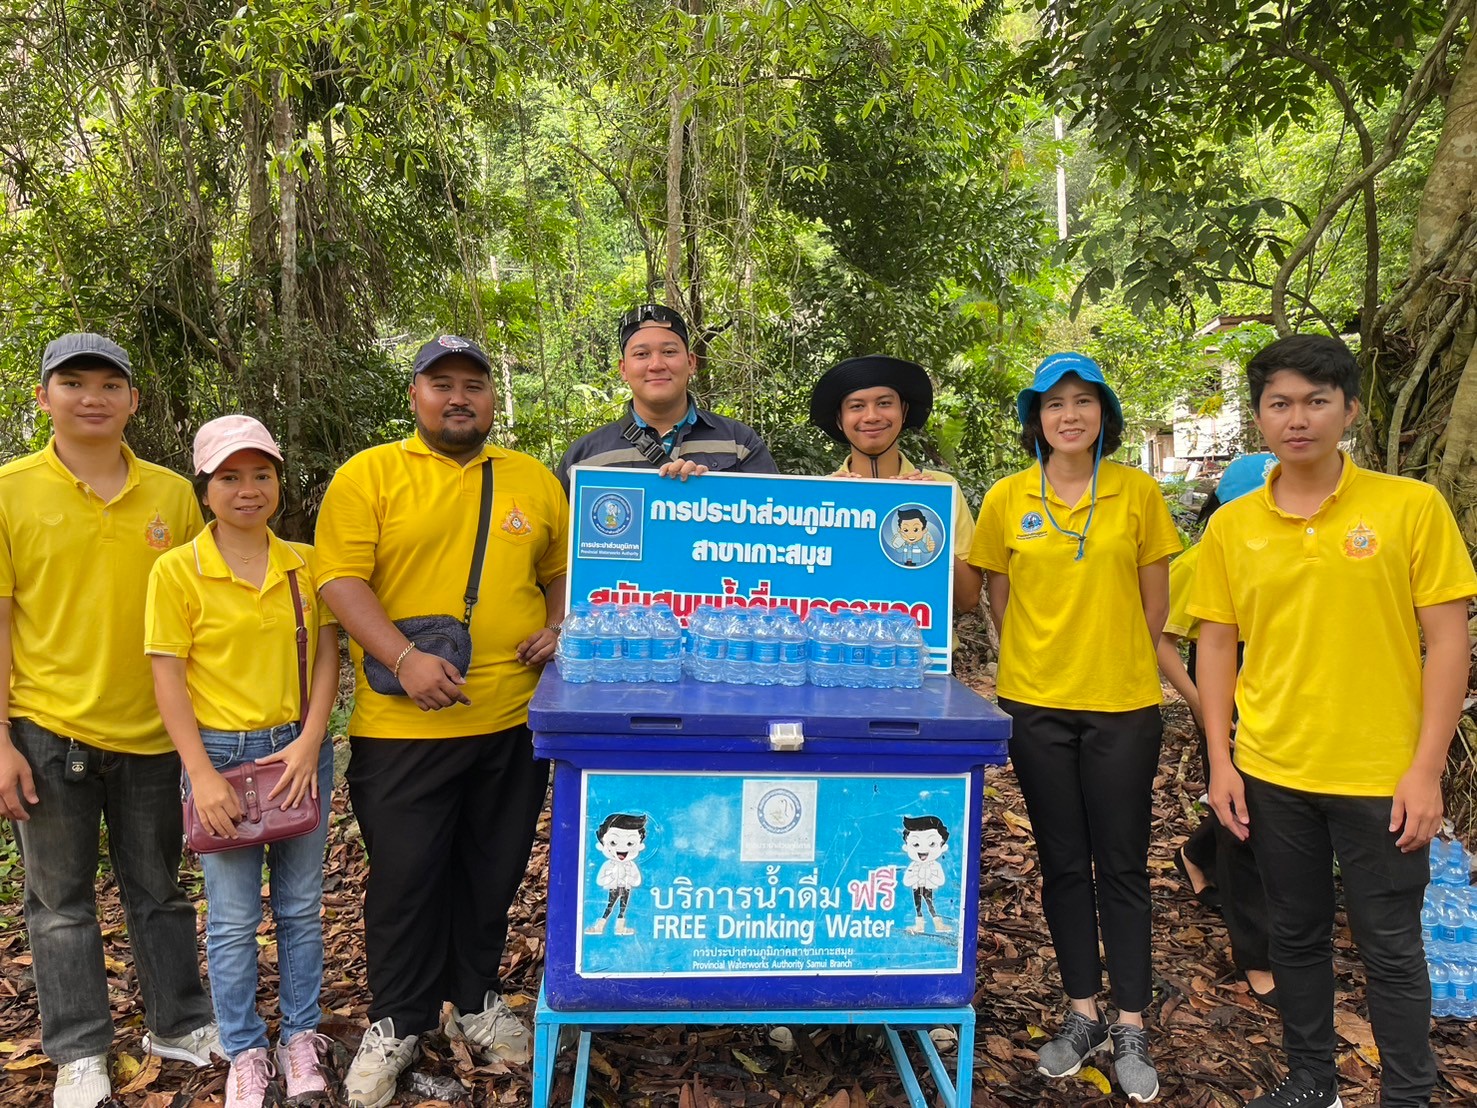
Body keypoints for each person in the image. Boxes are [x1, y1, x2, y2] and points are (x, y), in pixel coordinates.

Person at [1191, 334, 1476, 1108]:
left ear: (1348, 408)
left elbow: (1448, 641)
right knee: (1295, 934)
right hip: (1274, 768)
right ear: (1258, 417)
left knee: (1389, 947)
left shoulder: (1408, 507)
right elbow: (1215, 643)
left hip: (1380, 771)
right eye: (1279, 402)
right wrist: (1221, 760)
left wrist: (1425, 769)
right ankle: (1312, 1081)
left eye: (1316, 400)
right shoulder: (1232, 525)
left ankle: (1406, 1095)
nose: (1298, 418)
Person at [315, 335, 569, 1108]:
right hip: (403, 730)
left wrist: (560, 626)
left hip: (511, 720)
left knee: (491, 870)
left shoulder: (529, 479)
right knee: (405, 881)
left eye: (473, 386)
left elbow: (561, 570)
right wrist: (402, 656)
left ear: (493, 399)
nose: (458, 399)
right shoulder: (371, 475)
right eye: (441, 385)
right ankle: (396, 1020)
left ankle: (479, 998)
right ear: (416, 397)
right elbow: (338, 579)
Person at [0, 333, 221, 1108]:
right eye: (71, 383)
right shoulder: (10, 490)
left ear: (133, 400)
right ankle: (80, 1050)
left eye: (108, 384)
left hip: (156, 730)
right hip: (46, 727)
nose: (91, 397)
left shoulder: (170, 495)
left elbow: (206, 611)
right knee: (58, 901)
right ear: (43, 397)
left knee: (159, 888)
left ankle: (178, 1022)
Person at [960, 352, 1180, 1103]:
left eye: (1083, 401)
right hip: (1034, 703)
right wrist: (1040, 662)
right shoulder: (1005, 497)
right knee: (1060, 860)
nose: (1068, 415)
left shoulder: (1137, 493)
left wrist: (1112, 656)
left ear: (1103, 416)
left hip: (1121, 702)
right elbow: (996, 597)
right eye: (1053, 404)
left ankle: (1129, 1021)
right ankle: (1081, 1011)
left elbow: (1156, 604)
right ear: (1035, 421)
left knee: (1119, 863)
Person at [145, 416, 341, 1108]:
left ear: (279, 482)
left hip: (296, 750)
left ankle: (301, 1037)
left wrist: (314, 739)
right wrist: (198, 773)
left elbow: (325, 655)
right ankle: (244, 1048)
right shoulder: (176, 571)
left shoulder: (306, 562)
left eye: (261, 474)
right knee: (230, 917)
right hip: (220, 756)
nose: (248, 489)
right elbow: (167, 675)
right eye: (230, 477)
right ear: (205, 490)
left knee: (300, 907)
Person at [1160, 453, 1278, 1008]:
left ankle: (1195, 855)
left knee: (1248, 814)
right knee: (1245, 830)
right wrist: (1205, 702)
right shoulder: (1205, 556)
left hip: (1286, 711)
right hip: (1229, 714)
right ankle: (1256, 958)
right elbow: (1161, 636)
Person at [808, 355, 982, 611]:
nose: (871, 416)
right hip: (841, 647)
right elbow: (800, 590)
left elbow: (968, 600)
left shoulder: (942, 489)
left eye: (884, 403)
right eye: (856, 406)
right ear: (839, 419)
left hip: (923, 648)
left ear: (904, 411)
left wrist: (929, 517)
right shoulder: (815, 496)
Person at [556, 304, 778, 487]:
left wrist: (708, 495)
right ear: (623, 369)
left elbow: (772, 523)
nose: (656, 365)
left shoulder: (740, 443)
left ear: (691, 363)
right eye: (642, 354)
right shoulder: (583, 459)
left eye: (669, 352)